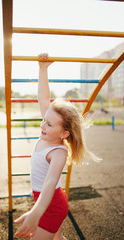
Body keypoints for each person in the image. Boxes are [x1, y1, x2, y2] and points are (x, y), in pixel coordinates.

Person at [14, 53, 100, 239]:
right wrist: (43, 69)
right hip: (46, 201)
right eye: (44, 120)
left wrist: (36, 213)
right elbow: (44, 99)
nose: (43, 125)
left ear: (64, 134)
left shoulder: (58, 152)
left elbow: (50, 182)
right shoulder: (49, 129)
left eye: (49, 124)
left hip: (51, 206)